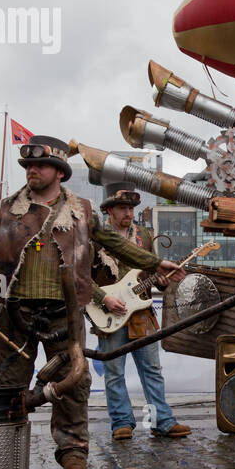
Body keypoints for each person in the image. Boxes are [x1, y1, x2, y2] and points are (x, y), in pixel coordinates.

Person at [0, 137, 186, 469]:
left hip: (64, 313)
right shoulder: (7, 208)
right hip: (14, 311)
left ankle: (73, 448)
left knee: (72, 382)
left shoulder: (82, 210)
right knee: (4, 382)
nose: (32, 171)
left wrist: (155, 264)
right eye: (28, 166)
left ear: (59, 172)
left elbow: (114, 242)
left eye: (39, 166)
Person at [92, 184, 191, 440]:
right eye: (122, 208)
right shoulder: (95, 237)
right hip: (110, 311)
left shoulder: (145, 236)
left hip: (141, 310)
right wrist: (104, 299)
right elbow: (83, 276)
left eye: (131, 208)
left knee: (152, 369)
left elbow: (152, 269)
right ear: (110, 211)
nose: (128, 213)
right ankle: (121, 422)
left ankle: (162, 421)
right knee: (114, 372)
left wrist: (160, 280)